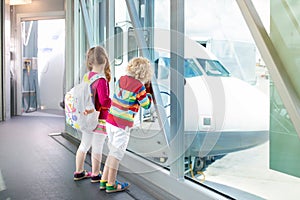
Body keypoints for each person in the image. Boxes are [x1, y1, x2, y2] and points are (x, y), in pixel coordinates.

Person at [100, 57, 153, 193]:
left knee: (112, 151)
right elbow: (146, 105)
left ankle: (104, 180)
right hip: (122, 125)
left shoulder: (121, 79)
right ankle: (111, 184)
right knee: (116, 155)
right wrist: (149, 96)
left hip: (111, 120)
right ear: (145, 73)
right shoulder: (139, 87)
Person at [73, 46, 111, 183]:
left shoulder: (86, 77)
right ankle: (95, 174)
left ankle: (79, 172)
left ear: (90, 62)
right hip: (99, 119)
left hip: (86, 118)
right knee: (98, 147)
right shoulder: (101, 80)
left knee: (84, 144)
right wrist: (115, 102)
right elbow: (104, 101)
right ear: (105, 60)